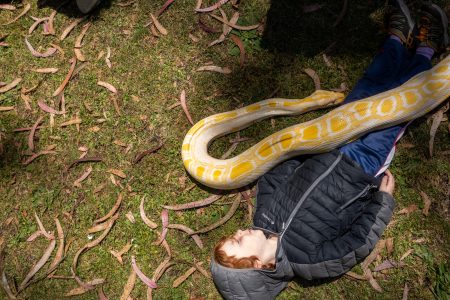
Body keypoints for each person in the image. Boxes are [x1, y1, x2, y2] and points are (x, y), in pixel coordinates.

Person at [210, 1, 449, 299]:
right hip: (363, 166)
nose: (240, 232)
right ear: (260, 264)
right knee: (403, 100)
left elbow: (273, 177)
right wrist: (383, 203)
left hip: (328, 145)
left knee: (369, 86)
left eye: (233, 235)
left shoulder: (263, 217)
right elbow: (357, 242)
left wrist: (301, 149)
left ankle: (397, 40)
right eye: (238, 241)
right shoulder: (309, 262)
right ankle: (428, 47)